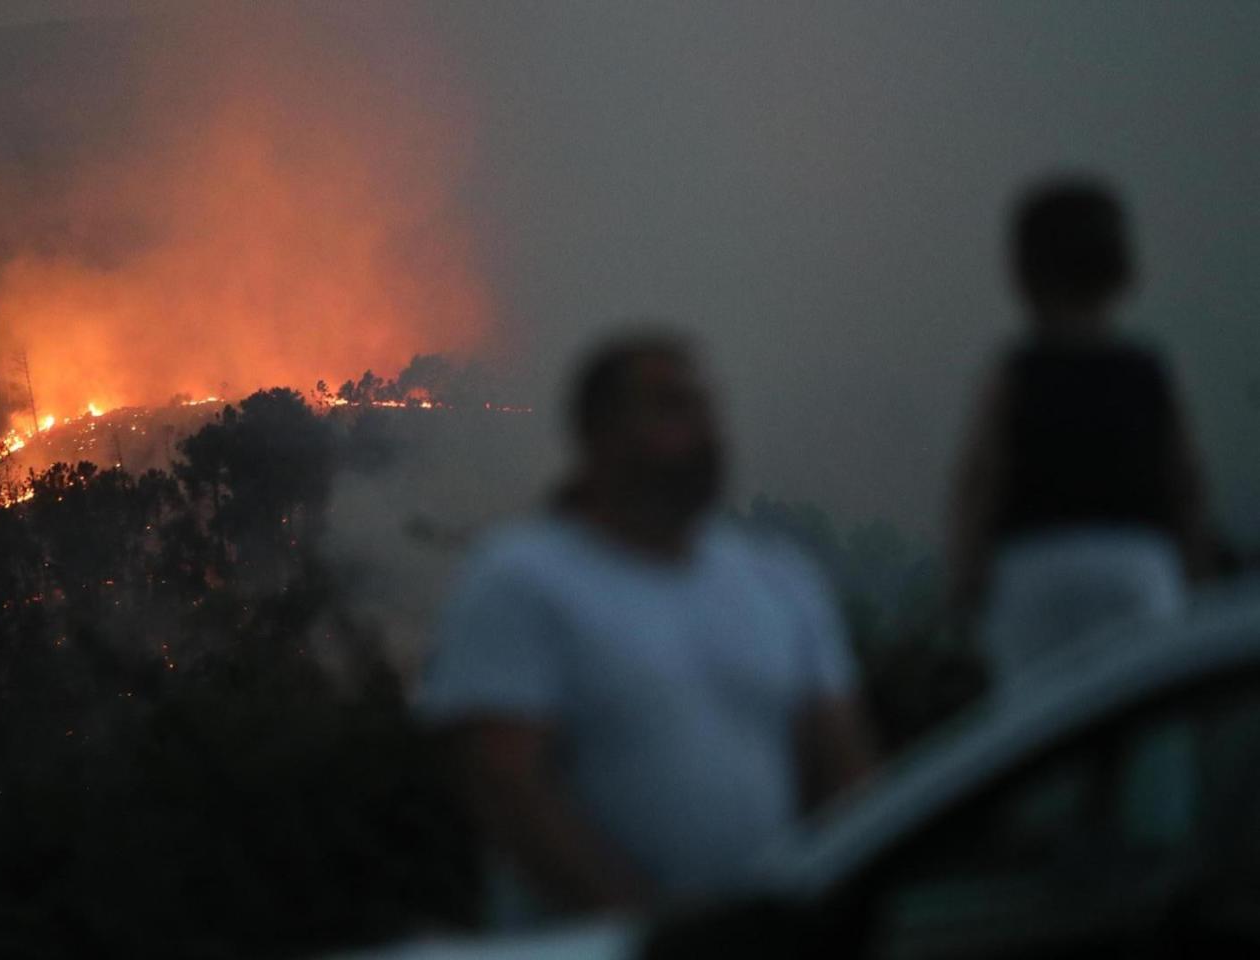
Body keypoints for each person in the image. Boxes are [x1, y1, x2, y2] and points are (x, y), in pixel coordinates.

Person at [416, 333, 877, 927]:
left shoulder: (780, 582)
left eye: (704, 407)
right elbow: (506, 782)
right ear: (599, 435)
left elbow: (843, 767)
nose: (703, 430)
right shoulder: (520, 581)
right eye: (670, 407)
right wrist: (646, 934)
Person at [949, 178, 1211, 688]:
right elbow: (1186, 480)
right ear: (1121, 270)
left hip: (1034, 569)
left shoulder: (1015, 374)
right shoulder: (1148, 372)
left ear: (1023, 274)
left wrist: (966, 576)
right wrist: (1197, 574)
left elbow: (980, 479)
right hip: (1137, 565)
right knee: (1146, 710)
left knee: (1037, 713)